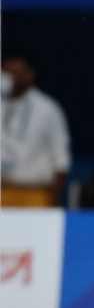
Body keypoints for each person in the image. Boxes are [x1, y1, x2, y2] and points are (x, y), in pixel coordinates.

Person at [1, 52, 72, 208]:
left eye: (16, 73)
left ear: (30, 75)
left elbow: (61, 159)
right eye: (6, 72)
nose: (9, 78)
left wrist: (54, 197)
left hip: (34, 194)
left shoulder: (48, 109)